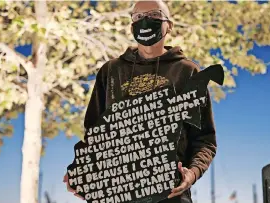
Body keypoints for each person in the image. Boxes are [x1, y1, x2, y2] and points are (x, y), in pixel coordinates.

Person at [63, 0, 217, 202]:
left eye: (154, 15)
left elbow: (204, 139)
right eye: (138, 17)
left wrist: (192, 173)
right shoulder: (111, 71)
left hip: (169, 194)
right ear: (131, 25)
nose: (145, 22)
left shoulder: (188, 72)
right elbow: (94, 135)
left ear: (168, 25)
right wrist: (84, 173)